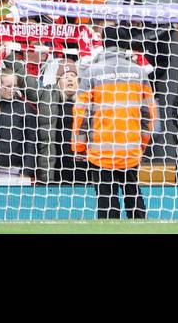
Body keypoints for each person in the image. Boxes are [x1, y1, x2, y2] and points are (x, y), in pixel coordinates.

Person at [71, 34, 159, 219]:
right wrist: (142, 144)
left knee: (106, 199)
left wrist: (79, 148)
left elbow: (81, 113)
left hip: (100, 151)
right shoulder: (139, 72)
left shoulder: (92, 72)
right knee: (133, 196)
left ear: (104, 45)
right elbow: (149, 113)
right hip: (130, 148)